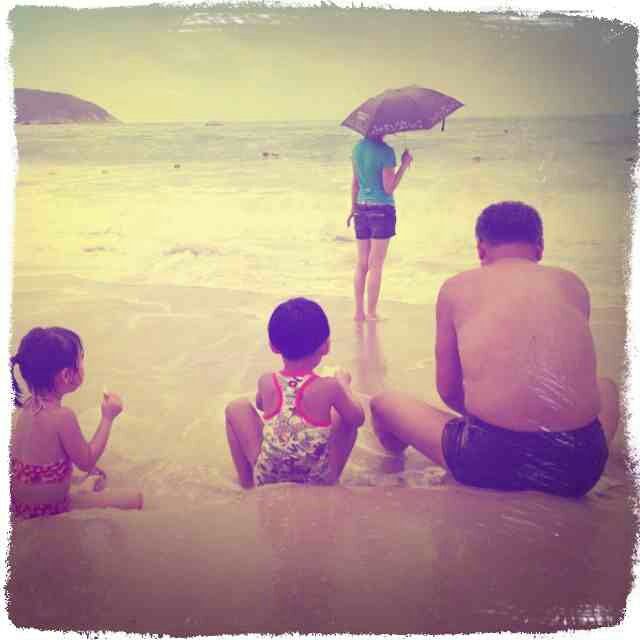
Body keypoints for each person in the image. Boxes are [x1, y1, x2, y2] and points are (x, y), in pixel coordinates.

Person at [370, 201, 619, 498]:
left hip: (489, 462)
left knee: (383, 404)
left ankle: (395, 467)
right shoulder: (572, 284)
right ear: (539, 248)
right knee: (606, 387)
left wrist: (493, 415)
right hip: (580, 466)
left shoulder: (456, 287)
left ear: (481, 250)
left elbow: (448, 390)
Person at [225, 297, 365, 488]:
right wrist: (343, 384)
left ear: (273, 346)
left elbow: (260, 406)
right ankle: (331, 479)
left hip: (268, 477)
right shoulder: (330, 387)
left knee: (236, 407)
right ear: (326, 346)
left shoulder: (266, 381)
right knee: (344, 416)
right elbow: (358, 418)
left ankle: (247, 483)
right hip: (316, 481)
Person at [9, 326, 143, 519]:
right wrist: (107, 418)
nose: (83, 365)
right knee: (136, 499)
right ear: (66, 376)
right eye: (81, 359)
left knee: (95, 475)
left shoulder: (28, 407)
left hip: (19, 505)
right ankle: (83, 493)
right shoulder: (62, 416)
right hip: (47, 511)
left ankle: (85, 488)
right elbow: (86, 462)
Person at [349, 133, 413, 321]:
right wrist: (404, 165)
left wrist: (353, 208)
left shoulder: (357, 149)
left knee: (362, 263)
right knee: (375, 264)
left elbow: (355, 184)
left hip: (361, 208)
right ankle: (371, 312)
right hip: (381, 210)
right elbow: (388, 188)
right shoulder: (386, 152)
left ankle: (358, 312)